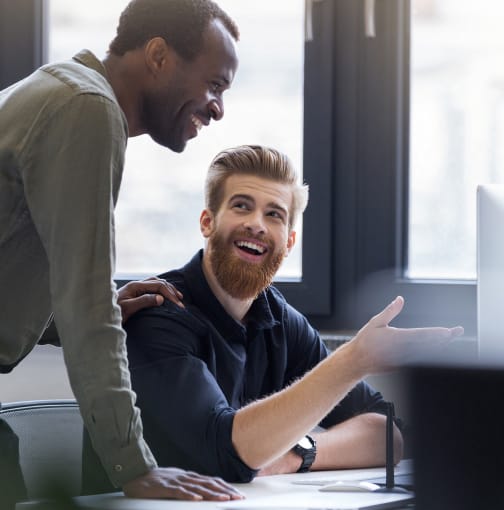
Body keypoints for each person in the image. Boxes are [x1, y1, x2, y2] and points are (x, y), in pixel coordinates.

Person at [0, 0, 243, 501]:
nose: (218, 107)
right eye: (214, 84)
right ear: (158, 55)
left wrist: (77, 313)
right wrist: (132, 465)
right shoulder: (86, 108)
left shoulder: (64, 90)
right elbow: (85, 302)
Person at [123, 144, 464, 483]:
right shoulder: (158, 312)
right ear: (207, 222)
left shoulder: (280, 319)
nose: (256, 224)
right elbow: (229, 453)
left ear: (289, 242)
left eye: (274, 214)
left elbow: (388, 434)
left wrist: (300, 453)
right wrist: (353, 359)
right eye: (242, 206)